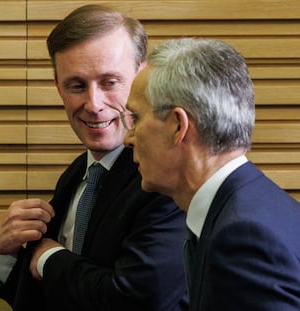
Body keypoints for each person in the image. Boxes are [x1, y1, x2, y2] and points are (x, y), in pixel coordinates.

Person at [0, 5, 188, 311]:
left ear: (142, 76)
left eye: (110, 82)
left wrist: (49, 259)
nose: (94, 104)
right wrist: (3, 253)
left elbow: (137, 300)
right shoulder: (77, 173)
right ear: (58, 87)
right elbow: (50, 292)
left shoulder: (167, 180)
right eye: (77, 85)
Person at [123, 37, 300, 311]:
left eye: (135, 118)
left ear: (177, 126)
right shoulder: (254, 206)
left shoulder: (243, 237)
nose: (128, 138)